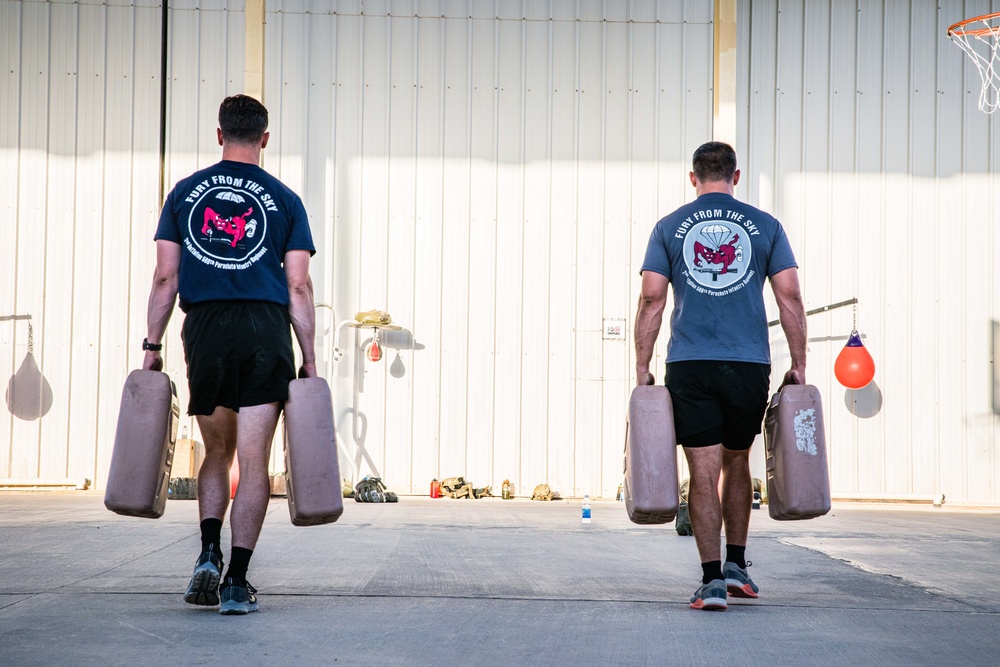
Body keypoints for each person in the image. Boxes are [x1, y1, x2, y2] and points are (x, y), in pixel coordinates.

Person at [142, 94, 317, 615]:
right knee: (254, 460)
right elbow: (300, 288)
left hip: (207, 329)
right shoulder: (285, 199)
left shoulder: (185, 193)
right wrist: (309, 359)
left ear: (219, 134)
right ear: (265, 138)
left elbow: (165, 277)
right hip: (265, 328)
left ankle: (207, 553)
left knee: (217, 452)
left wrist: (151, 347)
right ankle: (237, 583)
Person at [633, 141, 807, 611]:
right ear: (736, 175)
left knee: (702, 468)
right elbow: (789, 296)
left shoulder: (669, 227)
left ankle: (711, 582)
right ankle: (736, 567)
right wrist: (799, 364)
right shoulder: (765, 226)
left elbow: (652, 300)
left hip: (691, 364)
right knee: (737, 461)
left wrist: (642, 367)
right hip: (748, 363)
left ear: (693, 178)